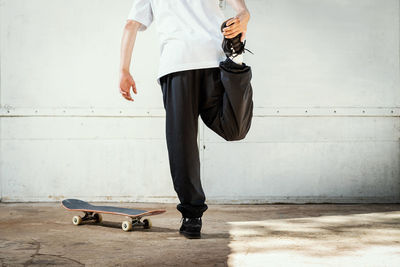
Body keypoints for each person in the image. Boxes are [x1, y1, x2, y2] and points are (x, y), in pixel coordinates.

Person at [119, 0, 253, 239]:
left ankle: (192, 216)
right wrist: (244, 14)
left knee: (182, 142)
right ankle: (237, 63)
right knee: (234, 129)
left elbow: (131, 24)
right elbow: (241, 9)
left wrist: (124, 70)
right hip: (215, 61)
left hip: (177, 64)